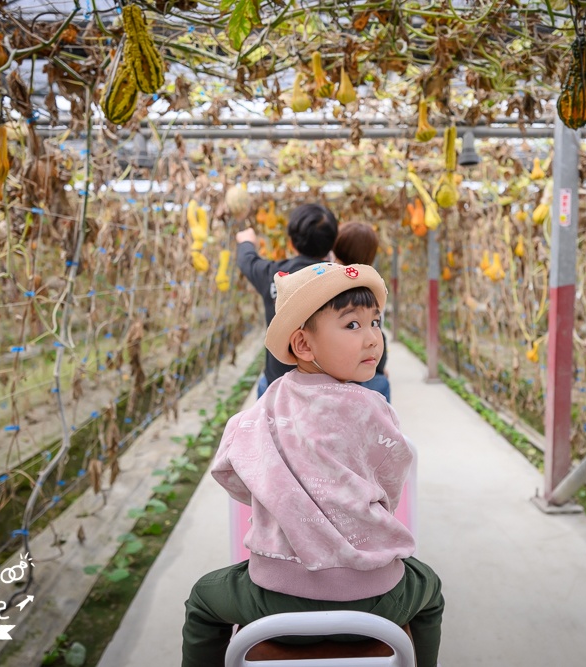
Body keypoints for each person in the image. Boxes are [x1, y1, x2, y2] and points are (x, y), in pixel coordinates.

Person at [181, 263, 444, 667]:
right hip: (375, 602)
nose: (374, 337)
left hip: (274, 603)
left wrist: (275, 498)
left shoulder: (264, 407)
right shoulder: (374, 409)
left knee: (203, 599)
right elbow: (392, 481)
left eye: (375, 322)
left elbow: (228, 468)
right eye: (352, 326)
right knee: (430, 589)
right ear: (303, 345)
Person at [236, 203, 339, 397]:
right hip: (325, 388)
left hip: (277, 388)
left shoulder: (273, 275)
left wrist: (246, 241)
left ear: (291, 243)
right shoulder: (340, 280)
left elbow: (247, 260)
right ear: (333, 243)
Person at [332, 222, 391, 402]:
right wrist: (379, 369)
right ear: (370, 255)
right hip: (358, 374)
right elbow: (375, 335)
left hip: (335, 370)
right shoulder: (369, 287)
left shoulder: (327, 280)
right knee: (381, 384)